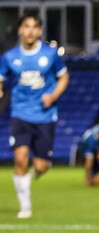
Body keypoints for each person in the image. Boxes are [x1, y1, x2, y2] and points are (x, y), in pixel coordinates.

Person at [0, 13, 69, 219]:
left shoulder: (50, 55)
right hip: (20, 114)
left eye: (34, 27)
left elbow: (64, 77)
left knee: (41, 166)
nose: (30, 31)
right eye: (26, 26)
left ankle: (35, 172)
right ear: (20, 30)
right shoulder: (10, 57)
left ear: (40, 31)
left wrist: (53, 96)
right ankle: (25, 205)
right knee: (20, 159)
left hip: (45, 116)